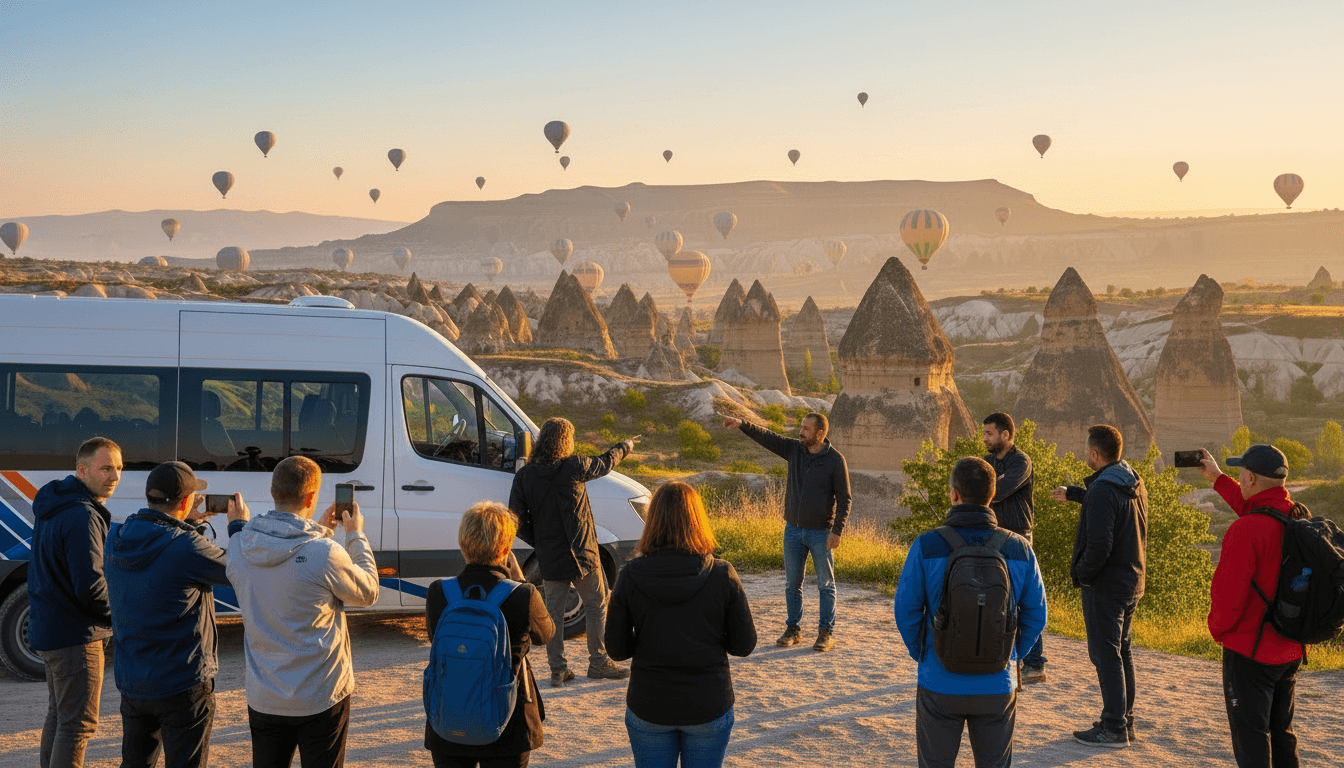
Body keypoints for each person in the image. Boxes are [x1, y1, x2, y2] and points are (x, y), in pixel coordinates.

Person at [226, 456, 380, 768]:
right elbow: (368, 592)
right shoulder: (324, 553)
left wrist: (320, 532)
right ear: (311, 497)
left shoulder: (239, 546)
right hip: (320, 695)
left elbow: (286, 560)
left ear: (273, 492)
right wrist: (354, 535)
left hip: (265, 696)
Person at [894, 457, 1047, 768]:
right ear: (992, 495)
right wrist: (1012, 653)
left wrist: (924, 651)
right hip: (996, 684)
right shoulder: (1020, 549)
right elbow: (1037, 614)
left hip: (939, 681)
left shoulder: (927, 545)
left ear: (954, 494)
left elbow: (906, 610)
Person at [106, 462, 248, 768]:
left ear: (149, 496)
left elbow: (161, 546)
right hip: (182, 682)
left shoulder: (116, 537)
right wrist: (237, 527)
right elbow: (239, 568)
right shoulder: (186, 546)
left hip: (133, 680)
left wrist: (185, 521)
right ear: (186, 502)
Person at [605, 481, 757, 768]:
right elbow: (744, 645)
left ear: (652, 521)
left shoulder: (630, 575)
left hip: (650, 703)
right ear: (698, 520)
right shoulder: (722, 573)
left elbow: (617, 650)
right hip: (708, 703)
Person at [1197, 444, 1305, 767]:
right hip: (1290, 649)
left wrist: (1217, 632)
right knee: (1282, 733)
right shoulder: (1297, 517)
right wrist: (1217, 478)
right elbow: (1258, 508)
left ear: (1250, 477)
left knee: (1252, 739)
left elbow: (1228, 601)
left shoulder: (1243, 532)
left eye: (1241, 473)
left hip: (1250, 653)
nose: (1239, 477)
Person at [424, 501, 554, 768]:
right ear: (506, 549)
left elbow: (434, 640)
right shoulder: (522, 594)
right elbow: (546, 634)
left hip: (450, 716)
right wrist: (521, 582)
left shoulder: (439, 592)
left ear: (463, 544)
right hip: (508, 721)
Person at [510, 417, 637, 686]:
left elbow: (516, 521)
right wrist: (624, 446)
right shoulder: (575, 466)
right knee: (597, 606)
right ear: (566, 441)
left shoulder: (525, 476)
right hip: (583, 555)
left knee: (553, 615)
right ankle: (599, 662)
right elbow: (605, 462)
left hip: (552, 558)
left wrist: (541, 541)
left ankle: (558, 670)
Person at [1050, 424, 1148, 748]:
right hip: (1132, 579)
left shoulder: (1104, 491)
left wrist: (1082, 574)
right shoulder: (1132, 480)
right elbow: (1113, 511)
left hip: (1106, 584)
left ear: (1094, 454)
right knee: (1122, 651)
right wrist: (1076, 493)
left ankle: (1113, 727)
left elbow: (1100, 545)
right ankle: (1125, 720)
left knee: (1106, 655)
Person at [721, 411, 850, 652]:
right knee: (792, 584)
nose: (800, 432)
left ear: (820, 434)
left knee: (826, 585)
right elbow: (768, 437)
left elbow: (845, 499)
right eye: (801, 427)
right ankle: (793, 629)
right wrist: (742, 424)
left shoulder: (835, 460)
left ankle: (826, 632)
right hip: (793, 531)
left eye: (806, 429)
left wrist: (837, 531)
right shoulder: (795, 450)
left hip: (821, 533)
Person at [28, 436, 121, 768]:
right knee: (77, 726)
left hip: (51, 629)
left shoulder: (55, 504)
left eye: (119, 468)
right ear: (82, 470)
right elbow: (91, 586)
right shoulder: (82, 514)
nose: (115, 476)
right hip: (76, 637)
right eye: (106, 468)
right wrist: (120, 618)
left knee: (60, 717)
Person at [981, 412, 1046, 683]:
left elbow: (1000, 488)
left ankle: (1034, 663)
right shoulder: (987, 462)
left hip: (1018, 535)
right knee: (992, 595)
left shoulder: (1021, 461)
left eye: (989, 433)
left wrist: (985, 486)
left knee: (1021, 597)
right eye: (984, 433)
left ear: (1006, 435)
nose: (985, 438)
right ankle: (995, 656)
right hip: (993, 533)